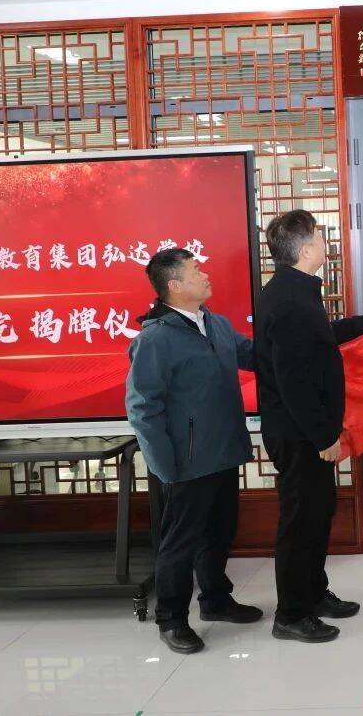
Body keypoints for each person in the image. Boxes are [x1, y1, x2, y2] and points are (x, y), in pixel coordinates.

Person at [255, 210, 363, 643]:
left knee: (318, 513)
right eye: (319, 235)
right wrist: (324, 436)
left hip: (305, 428)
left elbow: (320, 338)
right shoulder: (289, 300)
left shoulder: (296, 290)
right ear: (306, 248)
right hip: (299, 433)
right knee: (301, 521)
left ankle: (313, 592)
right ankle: (291, 614)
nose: (324, 242)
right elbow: (293, 381)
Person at [125, 247, 262, 655]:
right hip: (185, 462)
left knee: (220, 532)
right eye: (196, 270)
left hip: (224, 451)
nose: (205, 275)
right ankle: (171, 619)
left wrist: (303, 345)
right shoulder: (155, 339)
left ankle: (216, 600)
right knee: (180, 543)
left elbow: (254, 356)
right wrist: (164, 465)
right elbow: (142, 408)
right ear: (174, 285)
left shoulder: (215, 324)